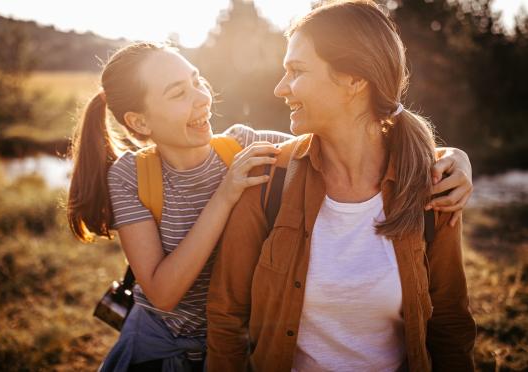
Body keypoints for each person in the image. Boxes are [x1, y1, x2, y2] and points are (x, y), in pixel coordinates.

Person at [66, 41, 472, 370]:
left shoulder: (243, 144)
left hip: (235, 347)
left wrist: (448, 156)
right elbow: (163, 291)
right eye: (178, 94)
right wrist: (225, 196)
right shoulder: (129, 175)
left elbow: (340, 141)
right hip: (160, 349)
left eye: (197, 80)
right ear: (139, 123)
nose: (201, 98)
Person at [206, 1, 476, 372]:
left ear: (354, 79)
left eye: (296, 71)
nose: (280, 88)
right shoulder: (267, 179)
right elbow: (226, 316)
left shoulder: (430, 187)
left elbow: (449, 326)